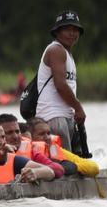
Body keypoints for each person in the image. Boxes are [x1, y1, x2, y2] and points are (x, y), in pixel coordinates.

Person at [36, 10, 87, 151]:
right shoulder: (56, 50)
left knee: (71, 162)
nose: (72, 33)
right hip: (53, 116)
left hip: (65, 116)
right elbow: (61, 86)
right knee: (64, 165)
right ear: (57, 32)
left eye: (76, 30)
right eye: (68, 29)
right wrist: (78, 108)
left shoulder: (67, 53)